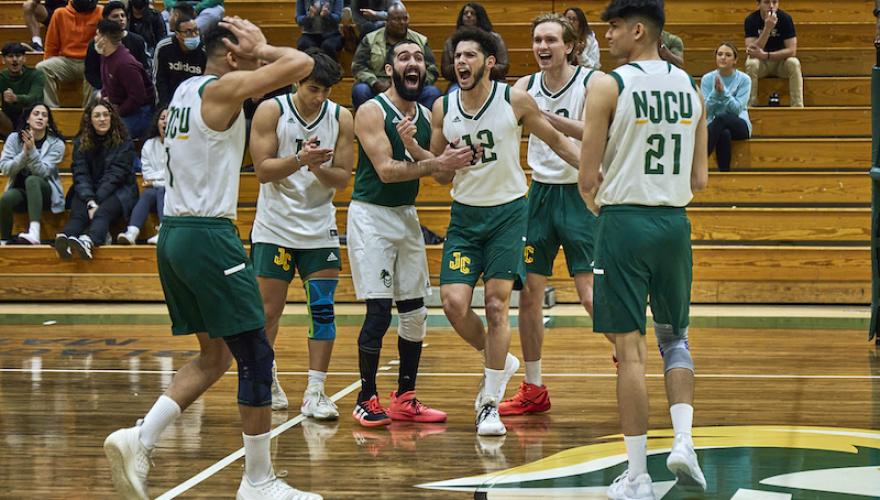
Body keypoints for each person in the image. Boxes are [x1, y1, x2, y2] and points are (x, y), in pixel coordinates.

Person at [103, 17, 323, 500]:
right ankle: (258, 481)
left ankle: (139, 438)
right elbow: (303, 64)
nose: (252, 56)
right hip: (207, 233)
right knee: (256, 355)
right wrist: (263, 47)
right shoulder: (221, 90)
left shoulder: (184, 91)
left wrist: (254, 51)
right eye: (242, 49)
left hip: (175, 235)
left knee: (215, 354)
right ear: (230, 52)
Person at [578, 0, 709, 497]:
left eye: (612, 27)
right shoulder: (691, 87)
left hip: (623, 223)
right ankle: (683, 442)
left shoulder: (608, 84)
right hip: (674, 224)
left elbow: (587, 178)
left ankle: (637, 476)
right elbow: (699, 179)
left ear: (638, 30)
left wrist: (604, 213)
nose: (606, 36)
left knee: (630, 354)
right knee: (676, 338)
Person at [430, 27, 581, 436]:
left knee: (497, 306)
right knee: (453, 304)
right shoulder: (443, 108)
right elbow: (440, 176)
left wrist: (592, 172)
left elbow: (557, 140)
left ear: (489, 62)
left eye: (470, 56)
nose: (461, 62)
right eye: (457, 55)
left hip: (509, 215)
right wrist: (447, 162)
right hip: (465, 217)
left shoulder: (514, 99)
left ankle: (490, 403)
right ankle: (499, 360)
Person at [348, 40, 474, 427]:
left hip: (405, 216)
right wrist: (433, 159)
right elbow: (386, 170)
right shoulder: (370, 111)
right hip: (371, 216)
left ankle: (405, 396)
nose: (412, 63)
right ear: (389, 69)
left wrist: (423, 152)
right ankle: (365, 397)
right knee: (378, 312)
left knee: (416, 312)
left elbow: (440, 174)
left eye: (419, 57)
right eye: (404, 57)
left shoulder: (425, 115)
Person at [501, 13, 603, 417]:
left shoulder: (592, 83)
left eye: (551, 40)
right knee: (528, 296)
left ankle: (626, 356)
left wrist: (542, 117)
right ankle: (533, 385)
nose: (542, 47)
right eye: (537, 40)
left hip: (581, 194)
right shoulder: (523, 86)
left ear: (570, 46)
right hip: (538, 195)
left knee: (590, 295)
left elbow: (597, 132)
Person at [248, 49, 353, 416]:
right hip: (274, 227)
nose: (319, 96)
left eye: (325, 90)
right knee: (267, 311)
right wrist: (299, 160)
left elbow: (342, 179)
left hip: (318, 226)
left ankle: (315, 391)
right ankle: (266, 378)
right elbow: (261, 170)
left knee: (323, 310)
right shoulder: (271, 111)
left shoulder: (341, 117)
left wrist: (318, 168)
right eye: (312, 89)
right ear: (296, 82)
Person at [55, 100, 137, 260]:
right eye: (97, 115)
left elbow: (116, 175)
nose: (102, 119)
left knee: (102, 212)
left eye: (106, 115)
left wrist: (95, 201)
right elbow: (80, 173)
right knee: (78, 213)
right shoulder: (80, 142)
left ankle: (88, 241)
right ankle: (64, 238)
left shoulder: (124, 142)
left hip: (120, 191)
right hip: (89, 190)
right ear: (90, 120)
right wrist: (90, 199)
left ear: (112, 118)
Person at [351, 2, 442, 110]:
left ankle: (422, 124)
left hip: (411, 85)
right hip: (379, 85)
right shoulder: (370, 39)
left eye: (405, 19)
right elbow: (358, 66)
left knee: (432, 92)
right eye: (397, 19)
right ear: (387, 21)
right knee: (360, 90)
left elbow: (432, 69)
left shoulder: (420, 40)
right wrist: (374, 82)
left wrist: (414, 83)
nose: (402, 22)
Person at [0, 104, 65, 245]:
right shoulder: (13, 138)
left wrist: (33, 151)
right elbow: (5, 168)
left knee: (32, 180)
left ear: (48, 122)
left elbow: (43, 172)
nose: (40, 117)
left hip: (45, 193)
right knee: (6, 198)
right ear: (28, 119)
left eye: (44, 115)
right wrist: (24, 154)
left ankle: (34, 231)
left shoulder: (57, 143)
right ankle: (4, 240)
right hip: (21, 193)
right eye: (36, 113)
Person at [94, 20, 155, 140]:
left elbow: (138, 97)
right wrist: (104, 97)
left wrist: (117, 113)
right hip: (119, 104)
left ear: (104, 39)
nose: (95, 39)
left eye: (97, 35)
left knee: (112, 135)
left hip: (139, 112)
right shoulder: (105, 55)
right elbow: (106, 83)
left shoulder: (125, 64)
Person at [35, 0, 103, 108]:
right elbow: (51, 45)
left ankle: (88, 113)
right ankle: (51, 111)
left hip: (89, 61)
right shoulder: (59, 13)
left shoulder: (101, 12)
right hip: (66, 61)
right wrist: (48, 59)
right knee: (42, 67)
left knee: (95, 72)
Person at [116, 107, 168, 245]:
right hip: (156, 190)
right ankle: (132, 232)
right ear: (157, 122)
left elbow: (175, 174)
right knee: (148, 193)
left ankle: (163, 231)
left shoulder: (181, 145)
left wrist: (156, 181)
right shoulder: (149, 145)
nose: (166, 122)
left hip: (176, 191)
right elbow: (147, 174)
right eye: (162, 118)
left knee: (162, 190)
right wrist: (160, 178)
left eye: (169, 118)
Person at [701, 42, 751, 171]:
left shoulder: (744, 79)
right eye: (720, 54)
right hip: (715, 125)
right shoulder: (707, 79)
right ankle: (725, 174)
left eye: (728, 55)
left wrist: (723, 92)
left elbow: (737, 109)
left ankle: (699, 161)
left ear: (735, 60)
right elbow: (705, 111)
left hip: (740, 124)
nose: (723, 57)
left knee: (722, 118)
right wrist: (715, 93)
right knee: (724, 133)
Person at [744, 0, 802, 107]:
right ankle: (750, 105)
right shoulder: (751, 20)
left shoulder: (785, 19)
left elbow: (792, 50)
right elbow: (751, 52)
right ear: (758, 4)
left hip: (780, 64)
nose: (771, 6)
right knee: (751, 64)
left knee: (794, 63)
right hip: (762, 64)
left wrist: (767, 55)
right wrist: (767, 29)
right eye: (766, 2)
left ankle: (797, 106)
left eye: (774, 2)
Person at [84, 0, 151, 93]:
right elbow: (91, 74)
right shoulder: (95, 43)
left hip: (132, 88)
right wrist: (105, 88)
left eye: (123, 15)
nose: (121, 19)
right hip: (104, 88)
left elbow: (145, 69)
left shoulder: (138, 41)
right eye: (115, 16)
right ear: (106, 20)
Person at [441, 3, 509, 91]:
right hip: (461, 81)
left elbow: (503, 66)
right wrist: (467, 69)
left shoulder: (495, 38)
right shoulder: (451, 40)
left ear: (480, 16)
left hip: (492, 79)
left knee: (504, 92)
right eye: (465, 13)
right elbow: (446, 70)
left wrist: (480, 69)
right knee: (453, 92)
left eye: (473, 13)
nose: (468, 15)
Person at [153, 14, 207, 107]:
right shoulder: (164, 47)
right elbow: (159, 79)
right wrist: (164, 107)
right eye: (188, 32)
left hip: (196, 103)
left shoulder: (205, 50)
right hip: (169, 100)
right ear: (177, 34)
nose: (194, 35)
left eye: (196, 30)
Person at [0, 42, 45, 137]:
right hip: (8, 122)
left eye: (18, 56)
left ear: (24, 59)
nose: (15, 59)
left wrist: (16, 98)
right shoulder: (1, 77)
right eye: (10, 56)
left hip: (30, 117)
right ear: (3, 60)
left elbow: (35, 98)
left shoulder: (36, 75)